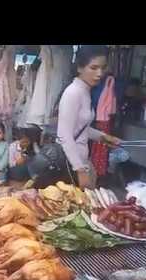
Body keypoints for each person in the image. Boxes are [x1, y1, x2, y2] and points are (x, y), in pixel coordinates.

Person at [56, 45, 121, 190]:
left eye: (103, 68)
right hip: (70, 165)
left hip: (80, 161)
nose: (99, 73)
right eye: (94, 68)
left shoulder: (85, 91)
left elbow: (81, 128)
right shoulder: (73, 93)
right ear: (80, 68)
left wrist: (104, 137)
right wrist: (80, 170)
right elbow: (64, 135)